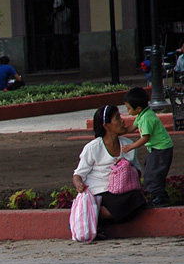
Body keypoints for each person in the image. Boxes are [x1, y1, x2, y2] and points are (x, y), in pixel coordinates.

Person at [72, 105, 147, 238]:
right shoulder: (93, 148)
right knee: (120, 205)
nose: (123, 121)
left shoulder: (128, 144)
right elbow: (78, 174)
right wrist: (79, 184)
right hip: (101, 192)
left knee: (137, 199)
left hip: (122, 191)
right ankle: (92, 213)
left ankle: (94, 217)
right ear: (106, 125)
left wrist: (126, 167)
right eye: (118, 118)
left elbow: (138, 171)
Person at [123, 86, 174, 207]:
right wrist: (120, 131)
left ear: (138, 108)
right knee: (150, 169)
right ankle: (160, 194)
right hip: (157, 148)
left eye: (129, 108)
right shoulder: (142, 114)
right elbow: (132, 128)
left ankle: (159, 197)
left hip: (161, 148)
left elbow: (145, 138)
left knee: (152, 173)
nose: (127, 111)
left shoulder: (146, 118)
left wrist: (130, 147)